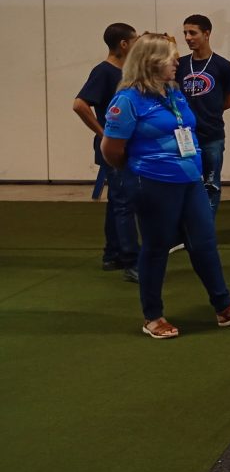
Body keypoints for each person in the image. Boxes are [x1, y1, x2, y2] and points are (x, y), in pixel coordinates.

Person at [101, 33, 230, 339]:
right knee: (156, 247)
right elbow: (111, 149)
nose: (177, 62)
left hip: (189, 180)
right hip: (153, 182)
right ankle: (152, 317)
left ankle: (224, 307)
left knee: (204, 242)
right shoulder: (128, 100)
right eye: (171, 58)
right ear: (151, 62)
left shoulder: (173, 92)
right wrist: (139, 170)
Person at [73, 23, 141, 282]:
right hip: (115, 149)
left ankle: (112, 254)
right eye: (135, 41)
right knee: (125, 204)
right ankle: (132, 261)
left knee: (117, 201)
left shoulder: (124, 72)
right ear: (124, 44)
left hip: (122, 146)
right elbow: (79, 104)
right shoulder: (104, 72)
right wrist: (104, 134)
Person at [176, 14, 230, 215]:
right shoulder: (179, 65)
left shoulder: (223, 66)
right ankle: (185, 226)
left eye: (193, 33)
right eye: (185, 33)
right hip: (184, 136)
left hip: (212, 135)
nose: (187, 37)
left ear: (207, 34)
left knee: (211, 184)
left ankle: (206, 227)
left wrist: (206, 112)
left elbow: (227, 102)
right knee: (184, 182)